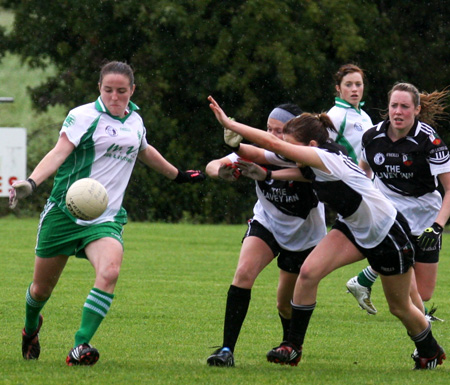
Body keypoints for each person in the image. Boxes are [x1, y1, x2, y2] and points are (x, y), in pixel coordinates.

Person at [208, 95, 446, 370]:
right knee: (308, 272)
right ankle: (292, 347)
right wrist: (246, 154)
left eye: (290, 145)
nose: (285, 150)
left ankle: (430, 351)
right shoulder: (314, 156)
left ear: (310, 146)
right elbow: (262, 154)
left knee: (400, 306)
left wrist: (231, 124)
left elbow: (272, 144)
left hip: (386, 232)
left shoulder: (324, 156)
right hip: (351, 227)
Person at [10, 61, 205, 366]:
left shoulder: (135, 121)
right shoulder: (83, 116)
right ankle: (31, 327)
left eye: (122, 91)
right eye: (108, 90)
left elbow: (145, 150)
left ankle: (80, 346)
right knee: (41, 288)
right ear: (99, 88)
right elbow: (59, 152)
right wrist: (32, 182)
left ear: (132, 90)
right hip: (65, 212)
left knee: (110, 271)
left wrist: (178, 175)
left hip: (105, 217)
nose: (115, 96)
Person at [206, 104, 327, 367]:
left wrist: (267, 172)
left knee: (285, 304)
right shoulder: (261, 152)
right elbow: (214, 164)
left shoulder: (309, 159)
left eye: (279, 131)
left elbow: (310, 176)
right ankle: (226, 350)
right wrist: (221, 172)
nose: (272, 136)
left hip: (304, 235)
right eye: (269, 129)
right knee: (243, 273)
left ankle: (289, 345)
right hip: (267, 223)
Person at [346, 83, 450, 321]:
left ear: (416, 110)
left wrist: (437, 226)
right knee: (404, 274)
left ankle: (364, 278)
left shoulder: (430, 142)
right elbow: (364, 174)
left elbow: (449, 189)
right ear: (388, 108)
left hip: (425, 214)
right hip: (389, 214)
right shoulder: (372, 137)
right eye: (394, 105)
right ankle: (421, 324)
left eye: (405, 106)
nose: (398, 111)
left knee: (424, 292)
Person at [327, 64, 373, 164]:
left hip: (369, 179)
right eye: (348, 85)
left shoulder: (365, 116)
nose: (354, 89)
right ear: (338, 88)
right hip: (348, 179)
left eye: (358, 84)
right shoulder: (335, 116)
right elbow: (324, 153)